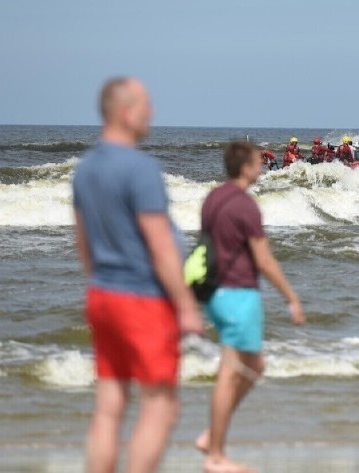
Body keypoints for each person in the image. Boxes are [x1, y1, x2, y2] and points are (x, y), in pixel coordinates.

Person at [72, 77, 205, 473]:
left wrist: (105, 280)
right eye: (147, 104)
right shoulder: (141, 168)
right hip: (143, 300)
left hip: (102, 296)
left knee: (109, 407)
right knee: (161, 405)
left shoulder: (85, 169)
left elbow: (84, 246)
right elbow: (160, 244)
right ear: (126, 112)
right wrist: (185, 306)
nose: (153, 112)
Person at [194, 141, 306, 473]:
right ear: (245, 168)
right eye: (258, 162)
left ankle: (212, 438)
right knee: (230, 374)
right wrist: (291, 297)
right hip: (238, 294)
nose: (261, 167)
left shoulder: (212, 198)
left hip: (215, 294)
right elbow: (264, 260)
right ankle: (215, 455)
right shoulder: (246, 206)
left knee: (254, 365)